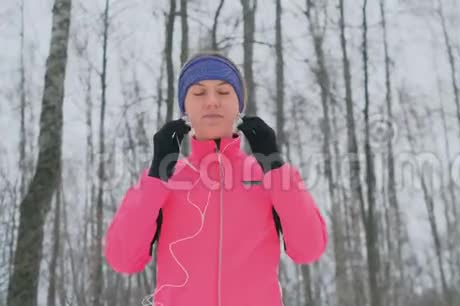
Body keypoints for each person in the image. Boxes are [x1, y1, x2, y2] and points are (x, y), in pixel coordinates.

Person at [104, 51, 328, 306]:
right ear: (185, 108)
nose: (211, 102)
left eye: (223, 92)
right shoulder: (166, 180)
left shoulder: (266, 176)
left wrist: (274, 166)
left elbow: (309, 249)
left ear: (239, 106)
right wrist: (156, 175)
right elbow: (122, 258)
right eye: (198, 93)